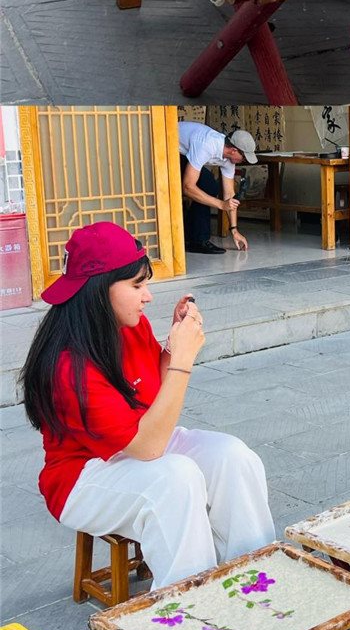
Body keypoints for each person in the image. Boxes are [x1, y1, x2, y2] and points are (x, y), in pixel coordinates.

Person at [20, 222, 274, 591]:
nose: (148, 296)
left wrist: (172, 346)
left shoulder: (128, 324)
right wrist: (184, 360)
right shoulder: (67, 366)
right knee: (177, 479)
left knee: (233, 457)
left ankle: (255, 575)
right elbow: (150, 446)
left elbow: (153, 397)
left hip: (135, 441)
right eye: (137, 285)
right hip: (82, 474)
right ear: (98, 291)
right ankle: (188, 606)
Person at [178, 122, 257, 255]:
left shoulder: (229, 159)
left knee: (209, 186)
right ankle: (197, 240)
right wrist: (220, 204)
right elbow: (187, 187)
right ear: (233, 150)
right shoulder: (207, 145)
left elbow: (229, 195)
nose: (244, 161)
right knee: (208, 185)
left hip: (185, 152)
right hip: (166, 144)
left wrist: (234, 230)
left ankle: (193, 238)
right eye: (243, 157)